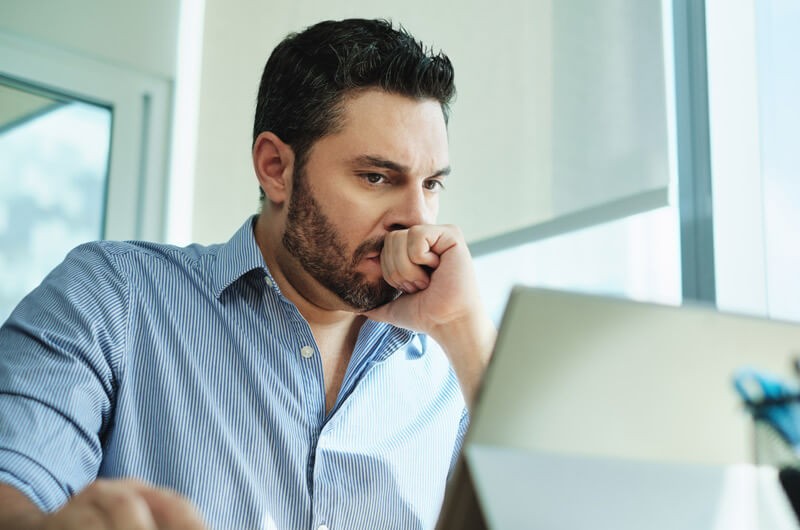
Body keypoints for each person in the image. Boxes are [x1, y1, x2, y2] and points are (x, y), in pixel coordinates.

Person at [0, 18, 495, 530]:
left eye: (432, 183)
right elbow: (13, 485)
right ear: (275, 168)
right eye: (376, 177)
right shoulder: (111, 296)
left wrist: (463, 330)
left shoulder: (451, 372)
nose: (416, 217)